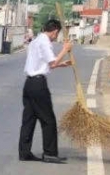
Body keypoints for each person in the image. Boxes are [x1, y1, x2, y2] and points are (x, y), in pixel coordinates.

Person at [19, 18, 72, 164]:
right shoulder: (44, 42)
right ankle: (49, 153)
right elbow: (52, 62)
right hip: (38, 85)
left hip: (29, 84)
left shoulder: (35, 41)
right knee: (48, 120)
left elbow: (49, 64)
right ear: (55, 31)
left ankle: (24, 152)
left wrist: (62, 64)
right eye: (57, 33)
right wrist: (65, 50)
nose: (57, 37)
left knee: (28, 120)